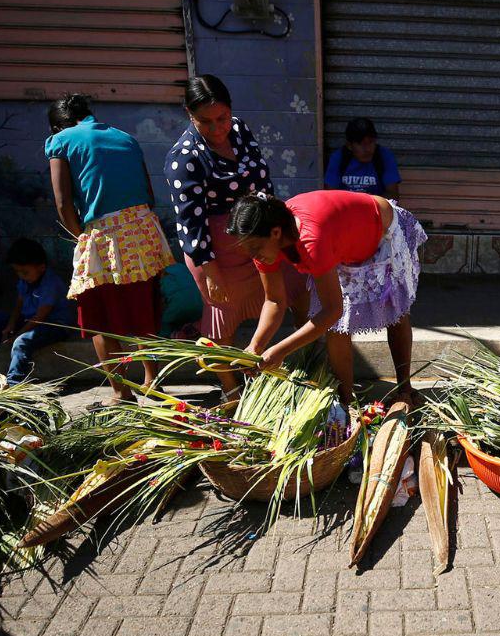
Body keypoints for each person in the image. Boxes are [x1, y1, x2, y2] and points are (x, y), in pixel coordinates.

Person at [163, 74, 303, 399]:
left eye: (222, 117)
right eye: (206, 121)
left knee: (288, 292)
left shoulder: (239, 128)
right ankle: (231, 391)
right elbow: (189, 221)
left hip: (259, 235)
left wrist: (275, 230)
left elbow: (263, 180)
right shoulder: (184, 157)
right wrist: (210, 271)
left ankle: (297, 360)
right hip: (217, 251)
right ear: (188, 114)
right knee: (221, 323)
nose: (217, 128)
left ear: (231, 110)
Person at [226, 190, 426, 404]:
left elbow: (332, 311)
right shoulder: (266, 243)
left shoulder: (311, 242)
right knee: (338, 328)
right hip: (343, 245)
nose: (254, 256)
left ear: (276, 233)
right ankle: (346, 401)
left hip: (382, 231)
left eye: (255, 248)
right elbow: (274, 300)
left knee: (395, 312)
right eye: (249, 251)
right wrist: (255, 346)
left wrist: (280, 350)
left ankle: (405, 388)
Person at [45, 93, 173, 404]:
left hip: (105, 235)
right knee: (145, 313)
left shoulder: (60, 141)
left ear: (56, 126)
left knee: (99, 317)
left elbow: (63, 203)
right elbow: (149, 192)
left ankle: (121, 392)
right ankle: (153, 380)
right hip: (143, 229)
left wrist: (81, 238)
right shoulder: (125, 137)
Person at [0, 239, 73, 383]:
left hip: (53, 325)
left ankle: (14, 382)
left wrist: (17, 334)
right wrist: (10, 325)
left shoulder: (50, 284)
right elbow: (19, 304)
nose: (21, 276)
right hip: (28, 319)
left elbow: (40, 317)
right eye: (17, 272)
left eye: (25, 272)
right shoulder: (26, 281)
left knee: (21, 342)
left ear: (41, 267)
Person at [323, 118, 400, 197]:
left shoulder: (384, 156)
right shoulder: (338, 158)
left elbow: (393, 196)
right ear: (349, 145)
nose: (368, 149)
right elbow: (330, 196)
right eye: (361, 144)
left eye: (371, 142)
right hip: (346, 206)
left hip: (375, 206)